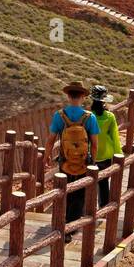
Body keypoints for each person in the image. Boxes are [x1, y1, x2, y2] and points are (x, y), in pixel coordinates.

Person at [50, 81, 99, 244]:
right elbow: (95, 142)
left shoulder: (59, 115)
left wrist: (45, 158)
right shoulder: (89, 117)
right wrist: (93, 161)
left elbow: (51, 140)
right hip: (83, 162)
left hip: (65, 162)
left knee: (64, 192)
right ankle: (69, 227)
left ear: (68, 96)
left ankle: (59, 224)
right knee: (79, 195)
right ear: (83, 97)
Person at [89, 85, 121, 208]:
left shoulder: (88, 116)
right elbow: (115, 137)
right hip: (106, 155)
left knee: (88, 183)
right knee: (103, 184)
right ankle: (103, 209)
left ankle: (88, 209)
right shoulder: (110, 116)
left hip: (91, 154)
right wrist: (119, 155)